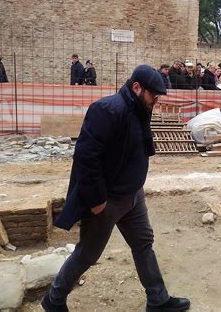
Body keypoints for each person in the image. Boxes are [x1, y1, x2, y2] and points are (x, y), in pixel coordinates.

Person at [41, 65, 190, 312]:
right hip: (107, 200)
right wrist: (97, 199)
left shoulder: (141, 108)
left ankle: (158, 299)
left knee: (143, 244)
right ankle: (54, 299)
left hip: (133, 195)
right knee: (88, 254)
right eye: (154, 95)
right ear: (136, 88)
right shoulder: (107, 110)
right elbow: (87, 158)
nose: (157, 100)